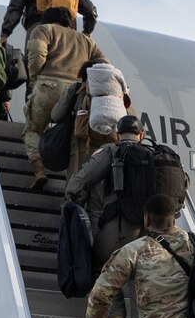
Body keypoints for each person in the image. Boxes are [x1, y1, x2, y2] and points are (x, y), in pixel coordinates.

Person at [21, 6, 107, 181]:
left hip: (49, 85)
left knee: (33, 129)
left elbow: (37, 52)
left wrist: (36, 75)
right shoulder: (86, 40)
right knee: (73, 136)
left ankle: (39, 172)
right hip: (76, 93)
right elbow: (104, 63)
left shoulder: (44, 29)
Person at [65, 113, 151, 266]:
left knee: (100, 265)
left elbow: (79, 182)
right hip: (151, 242)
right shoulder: (154, 156)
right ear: (141, 135)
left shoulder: (111, 151)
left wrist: (70, 207)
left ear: (117, 135)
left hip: (116, 237)